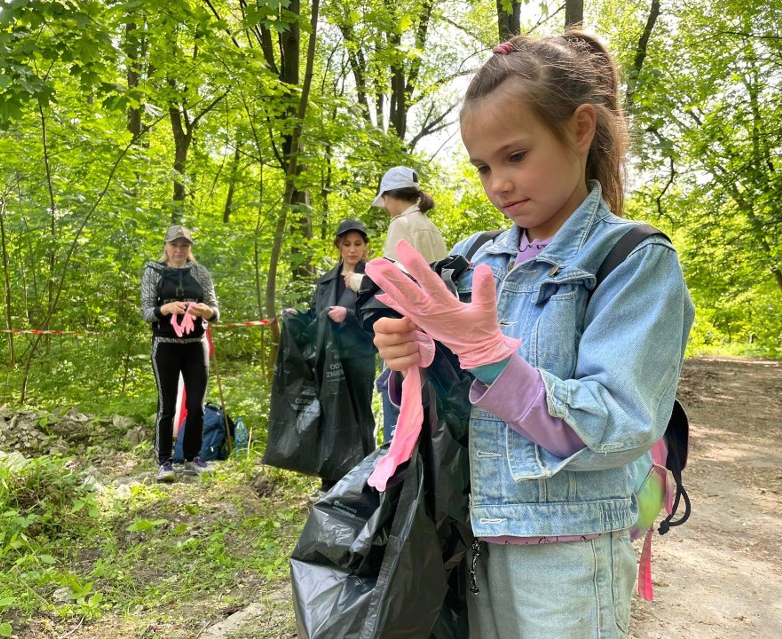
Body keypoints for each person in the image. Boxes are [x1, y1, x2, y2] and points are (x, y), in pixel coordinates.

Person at [365, 31, 694, 638]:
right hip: (471, 539)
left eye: (515, 157)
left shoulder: (633, 260)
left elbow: (619, 423)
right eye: (484, 167)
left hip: (568, 554)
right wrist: (408, 360)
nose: (499, 185)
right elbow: (443, 408)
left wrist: (491, 360)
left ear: (579, 129)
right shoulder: (474, 258)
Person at [293, 219, 377, 501]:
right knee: (330, 417)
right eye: (347, 244)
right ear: (339, 247)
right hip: (329, 360)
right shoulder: (326, 280)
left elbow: (380, 314)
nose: (352, 250)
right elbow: (316, 316)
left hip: (359, 355)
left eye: (358, 244)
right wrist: (297, 317)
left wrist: (349, 315)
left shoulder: (373, 278)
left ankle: (364, 478)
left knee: (361, 415)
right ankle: (329, 481)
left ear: (365, 247)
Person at [369, 165, 449, 444]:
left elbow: (390, 283)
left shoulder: (401, 225)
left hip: (405, 328)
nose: (385, 207)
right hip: (436, 330)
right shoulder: (430, 227)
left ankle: (396, 472)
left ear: (391, 196)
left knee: (396, 399)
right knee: (427, 405)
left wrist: (358, 283)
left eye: (384, 200)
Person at [141, 225, 220, 483]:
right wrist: (166, 308)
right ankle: (164, 461)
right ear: (166, 246)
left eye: (184, 245)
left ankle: (192, 458)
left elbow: (215, 310)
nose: (179, 250)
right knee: (167, 405)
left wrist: (205, 311)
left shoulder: (200, 272)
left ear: (189, 248)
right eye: (175, 245)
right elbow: (146, 311)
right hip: (165, 345)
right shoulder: (153, 272)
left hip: (196, 345)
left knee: (196, 405)